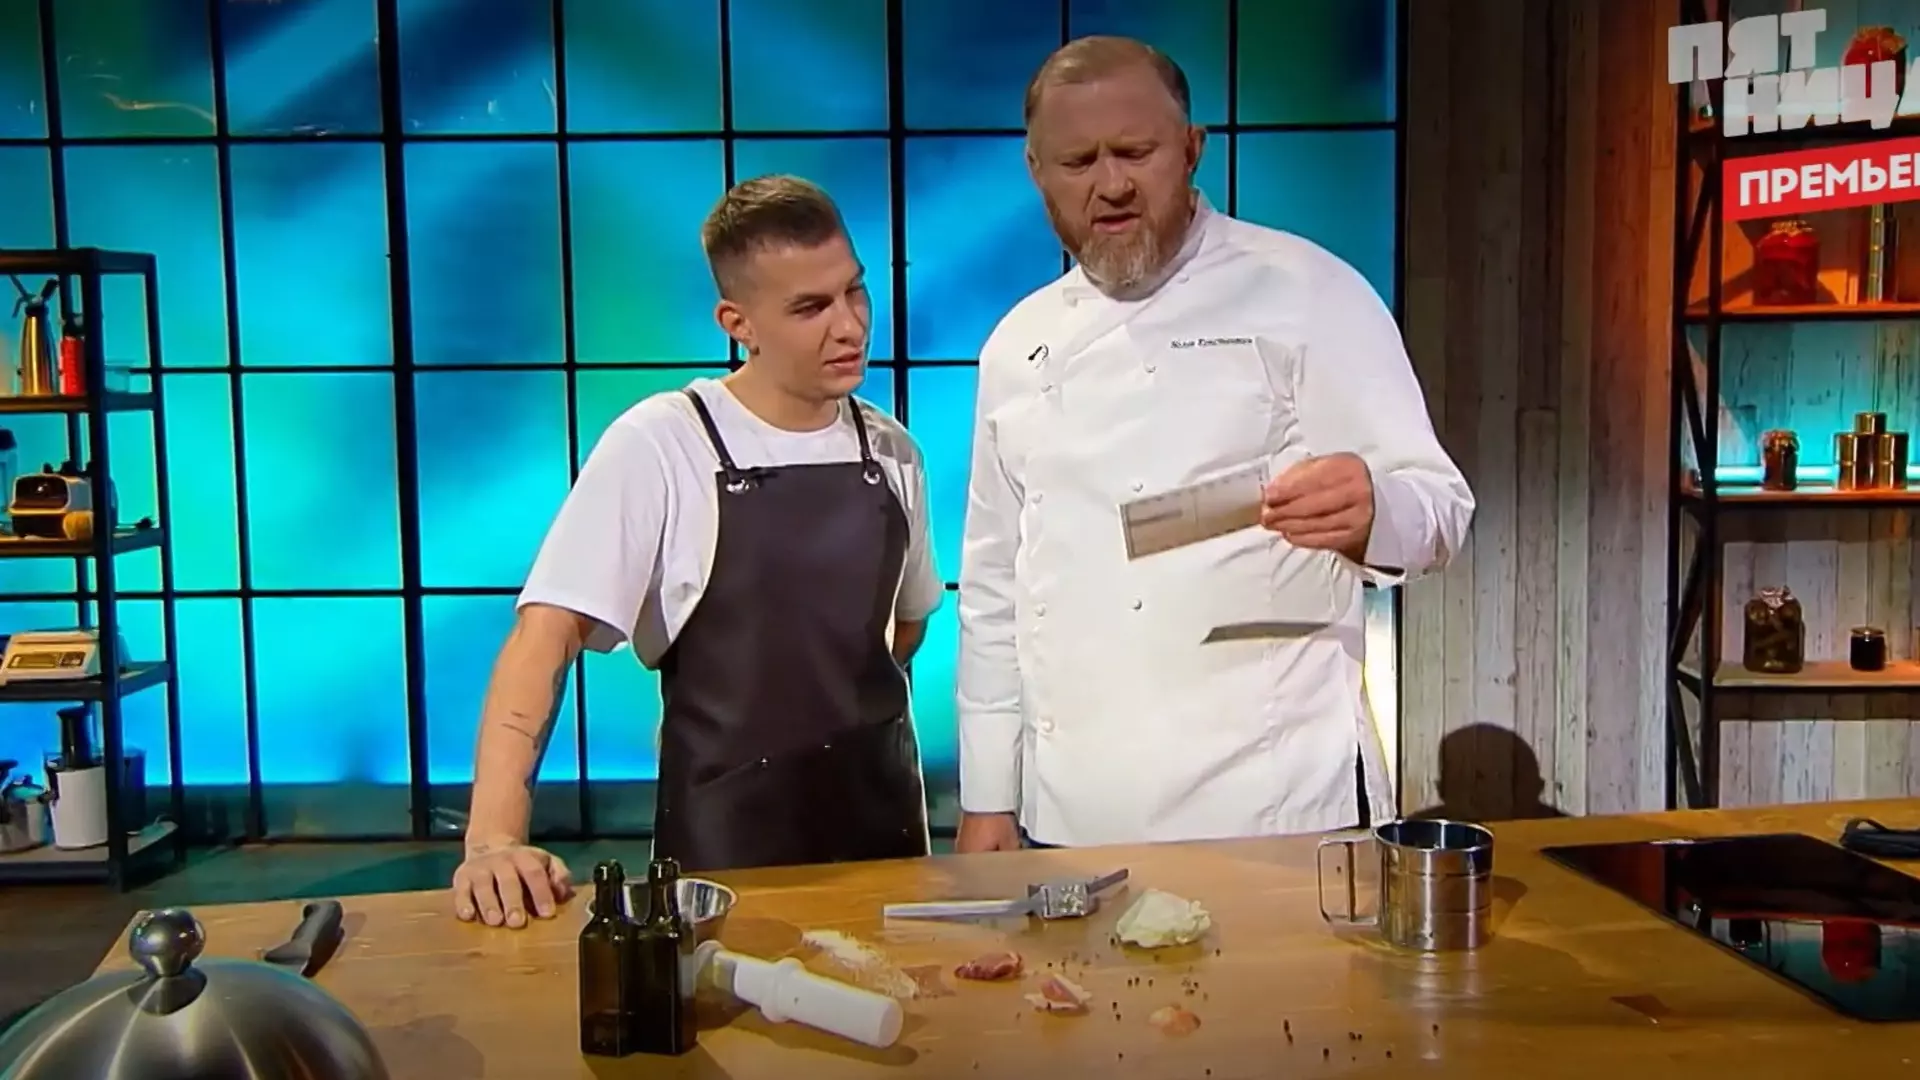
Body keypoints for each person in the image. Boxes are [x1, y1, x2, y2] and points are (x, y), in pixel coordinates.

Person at [953, 37, 1474, 853]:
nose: (1111, 184)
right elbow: (993, 591)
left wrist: (1375, 508)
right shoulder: (1017, 346)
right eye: (1079, 161)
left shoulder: (1307, 291)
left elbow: (1441, 507)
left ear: (1192, 149)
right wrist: (989, 795)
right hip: (1072, 815)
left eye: (1136, 152)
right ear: (1036, 171)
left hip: (1276, 806)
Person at [451, 175, 943, 927]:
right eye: (810, 307)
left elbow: (907, 627)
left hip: (886, 845)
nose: (849, 326)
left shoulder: (892, 451)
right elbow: (545, 633)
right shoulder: (664, 444)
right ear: (737, 323)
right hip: (726, 858)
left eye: (855, 291)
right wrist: (492, 841)